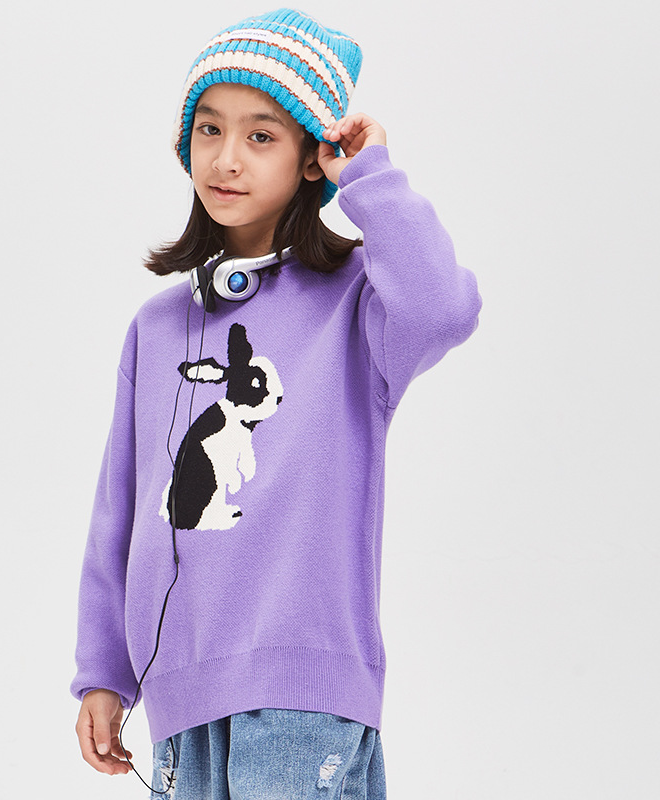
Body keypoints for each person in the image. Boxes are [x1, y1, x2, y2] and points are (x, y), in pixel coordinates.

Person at [71, 8, 481, 799]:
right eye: (209, 129)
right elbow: (120, 509)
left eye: (261, 135)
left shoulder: (359, 305)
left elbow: (444, 310)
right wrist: (103, 671)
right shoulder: (157, 327)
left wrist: (370, 176)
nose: (226, 158)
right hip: (180, 701)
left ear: (310, 159)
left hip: (303, 701)